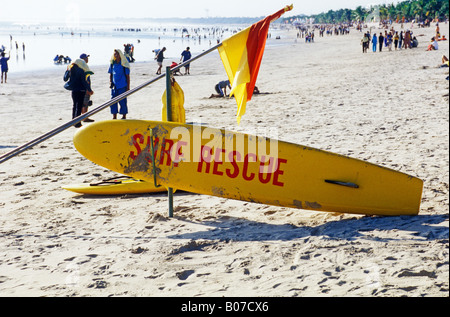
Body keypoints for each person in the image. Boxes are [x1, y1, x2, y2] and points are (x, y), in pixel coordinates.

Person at [69, 59, 94, 128]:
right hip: (81, 90)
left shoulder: (71, 70)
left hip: (74, 90)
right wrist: (89, 90)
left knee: (74, 106)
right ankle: (78, 123)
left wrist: (67, 70)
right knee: (79, 106)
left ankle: (73, 121)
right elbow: (84, 82)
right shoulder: (81, 71)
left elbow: (65, 78)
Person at [108, 49, 131, 120]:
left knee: (123, 101)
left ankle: (124, 116)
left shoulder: (124, 64)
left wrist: (128, 87)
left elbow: (127, 76)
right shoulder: (112, 63)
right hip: (114, 86)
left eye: (117, 54)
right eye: (115, 54)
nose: (116, 55)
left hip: (122, 85)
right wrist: (110, 82)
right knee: (113, 101)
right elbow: (111, 74)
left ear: (120, 55)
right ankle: (114, 116)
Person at [79, 53, 94, 122]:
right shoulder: (83, 67)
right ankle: (85, 117)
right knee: (85, 102)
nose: (87, 59)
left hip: (81, 87)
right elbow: (85, 79)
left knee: (84, 102)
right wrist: (88, 89)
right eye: (86, 58)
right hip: (84, 88)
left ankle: (83, 116)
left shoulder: (81, 66)